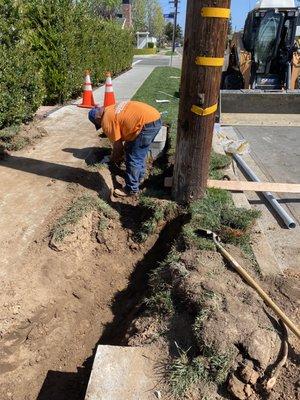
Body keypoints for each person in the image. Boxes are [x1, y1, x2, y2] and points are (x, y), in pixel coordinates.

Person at [88, 101, 162, 197]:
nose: (101, 126)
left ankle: (131, 189)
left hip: (145, 125)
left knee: (133, 156)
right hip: (154, 117)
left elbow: (118, 147)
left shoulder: (106, 120)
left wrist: (113, 160)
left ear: (97, 119)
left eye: (98, 124)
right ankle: (140, 176)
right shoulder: (110, 108)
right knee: (139, 152)